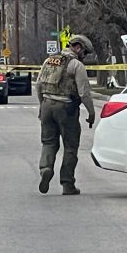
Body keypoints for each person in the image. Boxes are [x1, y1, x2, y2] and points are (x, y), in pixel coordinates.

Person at [36, 34, 96, 195]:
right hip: (66, 108)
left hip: (47, 104)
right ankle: (67, 184)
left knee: (48, 143)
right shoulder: (76, 65)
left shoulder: (49, 60)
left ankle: (45, 169)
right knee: (70, 147)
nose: (85, 56)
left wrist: (42, 104)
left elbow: (39, 84)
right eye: (85, 52)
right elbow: (84, 93)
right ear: (78, 47)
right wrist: (91, 112)